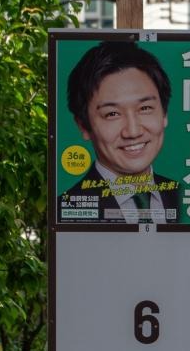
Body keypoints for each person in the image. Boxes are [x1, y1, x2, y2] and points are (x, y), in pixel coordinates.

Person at [59, 41, 180, 223]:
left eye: (145, 108)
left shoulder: (189, 199)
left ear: (164, 113)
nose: (133, 131)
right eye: (112, 114)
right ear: (83, 126)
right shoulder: (66, 210)